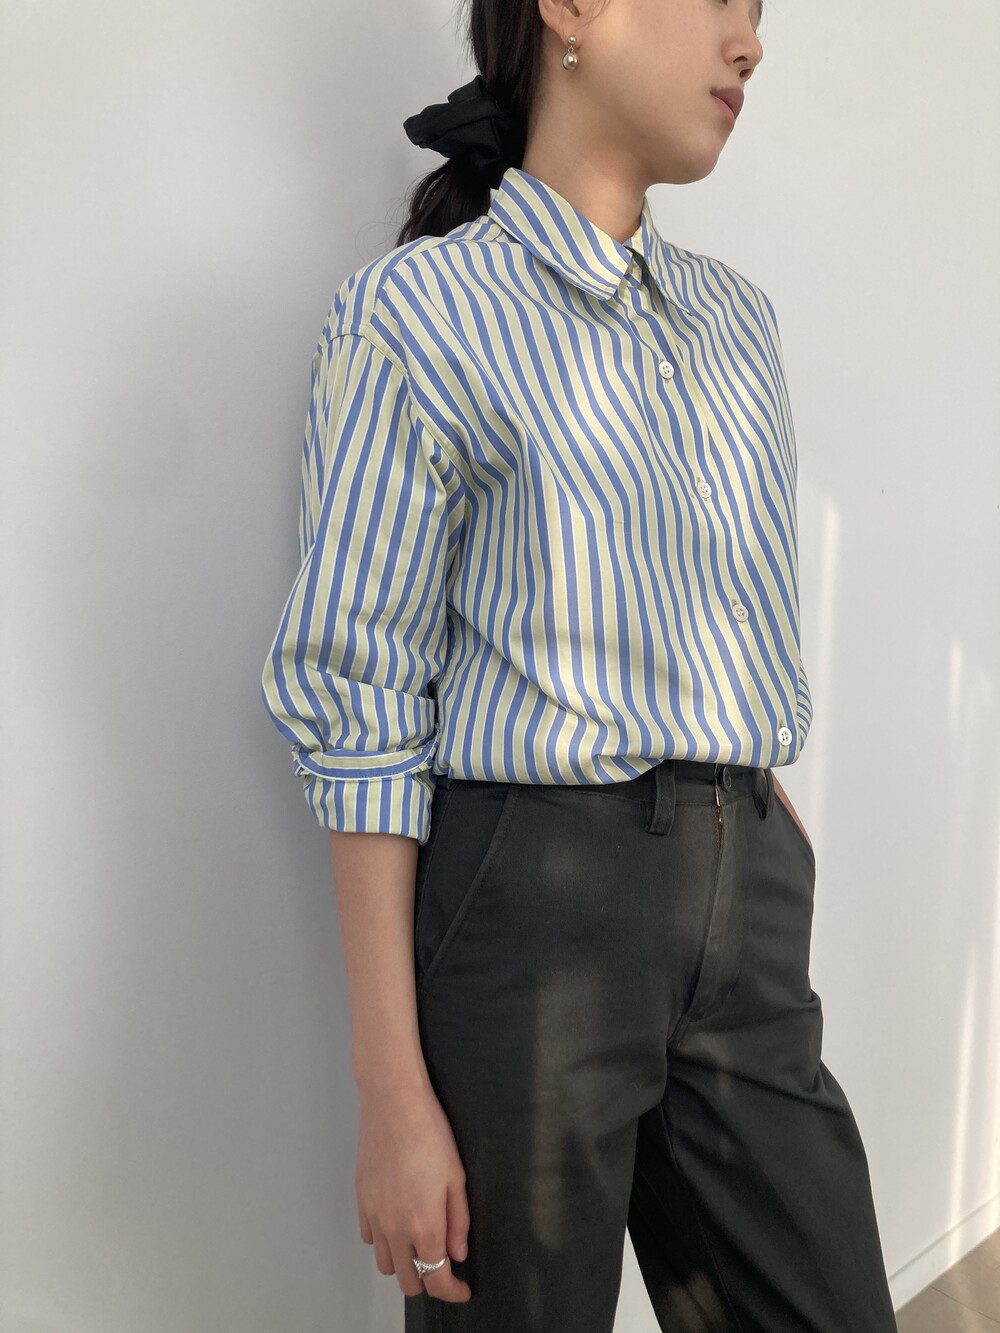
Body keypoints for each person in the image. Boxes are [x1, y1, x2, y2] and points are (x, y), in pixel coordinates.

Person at [260, 0, 899, 1328]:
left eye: (760, 13)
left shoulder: (738, 324)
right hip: (534, 903)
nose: (750, 43)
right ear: (567, 8)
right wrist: (394, 1093)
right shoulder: (418, 314)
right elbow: (361, 701)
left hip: (744, 890)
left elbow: (730, 620)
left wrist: (759, 832)